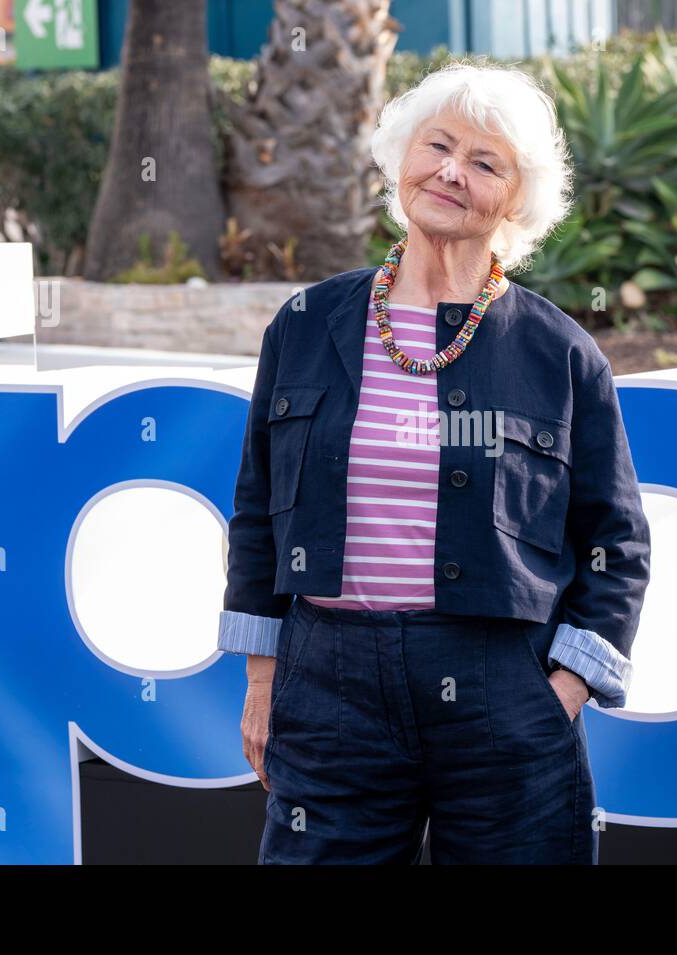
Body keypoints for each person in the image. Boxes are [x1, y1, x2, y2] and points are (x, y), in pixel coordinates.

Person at [217, 61, 651, 864]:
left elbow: (616, 542)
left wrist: (558, 695)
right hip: (329, 685)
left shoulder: (560, 353)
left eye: (485, 163)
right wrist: (262, 676)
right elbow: (256, 511)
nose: (452, 171)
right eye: (438, 145)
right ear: (400, 156)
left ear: (515, 202)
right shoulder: (307, 324)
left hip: (499, 687)